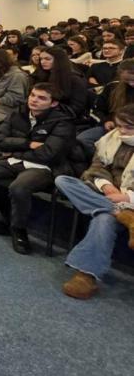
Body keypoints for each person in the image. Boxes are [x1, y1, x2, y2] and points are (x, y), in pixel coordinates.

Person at [0, 83, 75, 254]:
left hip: (42, 167)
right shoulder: (18, 113)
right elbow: (0, 140)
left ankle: (18, 229)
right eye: (33, 95)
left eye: (41, 98)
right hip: (13, 161)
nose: (34, 100)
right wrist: (28, 144)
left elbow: (48, 153)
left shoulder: (63, 123)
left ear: (54, 103)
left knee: (19, 188)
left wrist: (15, 150)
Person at [55, 104, 134, 300]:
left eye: (128, 127)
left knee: (104, 218)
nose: (121, 131)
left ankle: (86, 275)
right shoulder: (110, 139)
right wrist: (106, 186)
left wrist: (127, 198)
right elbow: (96, 168)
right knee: (63, 181)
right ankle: (122, 215)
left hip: (130, 200)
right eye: (119, 126)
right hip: (105, 194)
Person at [77, 59, 134, 156]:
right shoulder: (112, 87)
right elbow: (97, 110)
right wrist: (106, 121)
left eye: (133, 80)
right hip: (114, 126)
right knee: (83, 139)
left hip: (130, 127)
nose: (131, 84)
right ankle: (101, 160)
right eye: (127, 81)